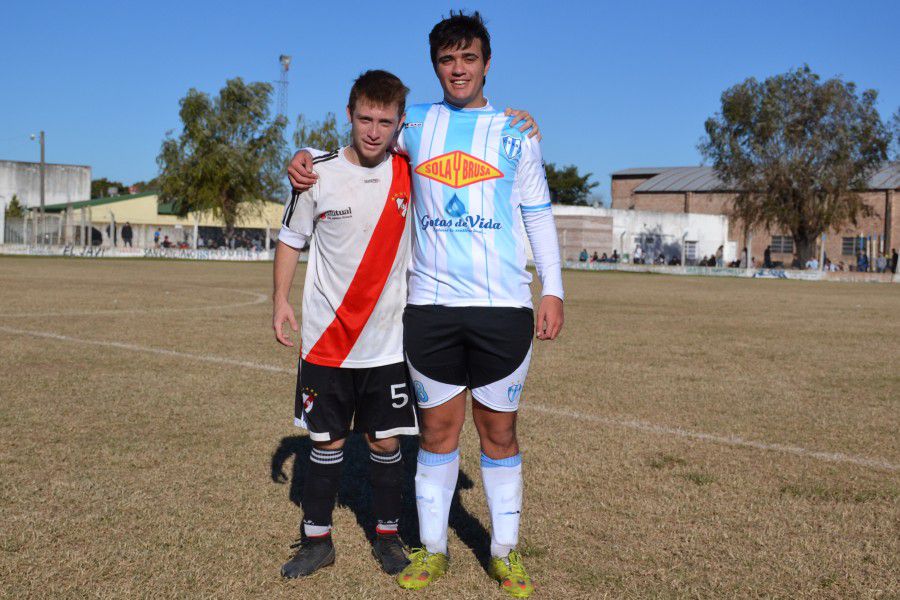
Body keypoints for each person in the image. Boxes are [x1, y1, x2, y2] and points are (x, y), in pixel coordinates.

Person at [288, 12, 561, 597]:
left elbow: (538, 214)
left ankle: (505, 553)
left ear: (487, 63)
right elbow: (365, 138)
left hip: (504, 308)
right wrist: (303, 157)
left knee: (500, 434)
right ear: (435, 66)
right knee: (437, 435)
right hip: (432, 309)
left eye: (469, 58)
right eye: (447, 59)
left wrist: (554, 288)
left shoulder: (518, 134)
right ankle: (433, 552)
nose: (458, 69)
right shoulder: (416, 127)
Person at [273, 70, 419, 579]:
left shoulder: (411, 171)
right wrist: (279, 302)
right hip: (327, 341)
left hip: (387, 342)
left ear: (400, 123)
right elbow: (290, 239)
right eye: (365, 118)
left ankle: (387, 536)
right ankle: (317, 542)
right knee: (325, 442)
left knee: (386, 443)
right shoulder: (317, 173)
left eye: (385, 121)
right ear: (349, 116)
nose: (374, 130)